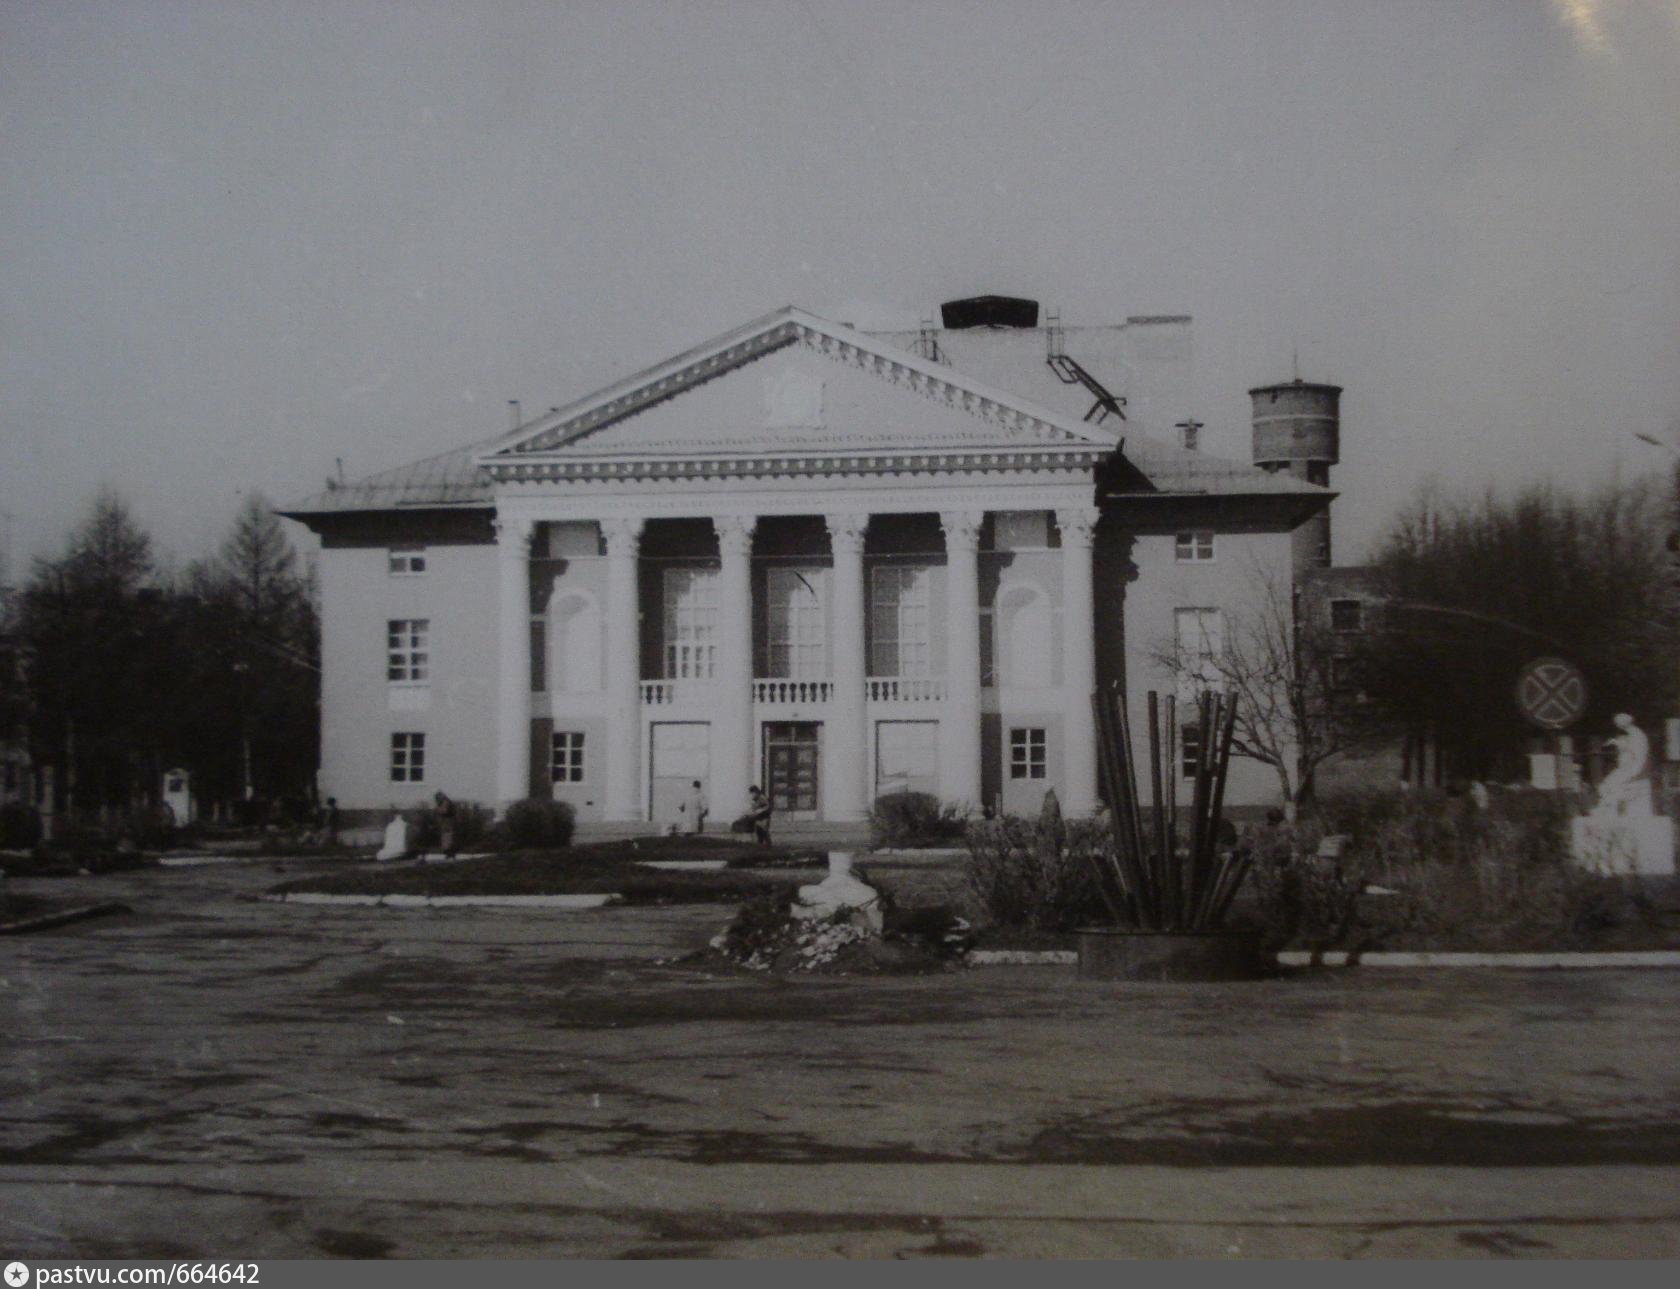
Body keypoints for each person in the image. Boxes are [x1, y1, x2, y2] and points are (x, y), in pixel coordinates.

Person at [433, 790, 458, 857]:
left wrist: (438, 809)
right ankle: (448, 849)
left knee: (447, 835)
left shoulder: (445, 802)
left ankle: (448, 850)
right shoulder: (446, 801)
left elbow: (444, 811)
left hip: (447, 821)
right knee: (447, 835)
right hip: (447, 821)